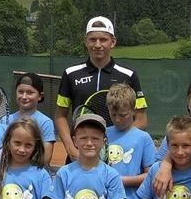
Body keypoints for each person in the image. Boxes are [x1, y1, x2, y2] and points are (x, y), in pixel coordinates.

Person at [54, 16, 147, 161]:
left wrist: (116, 145)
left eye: (103, 39)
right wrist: (71, 150)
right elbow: (60, 116)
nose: (97, 44)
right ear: (86, 42)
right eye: (92, 39)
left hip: (115, 156)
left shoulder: (129, 75)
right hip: (79, 155)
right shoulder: (70, 74)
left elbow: (141, 119)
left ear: (113, 42)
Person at [9, 72, 56, 164]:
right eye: (20, 92)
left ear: (40, 96)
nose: (24, 96)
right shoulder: (6, 119)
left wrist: (22, 163)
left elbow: (46, 158)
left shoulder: (45, 122)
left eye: (30, 93)